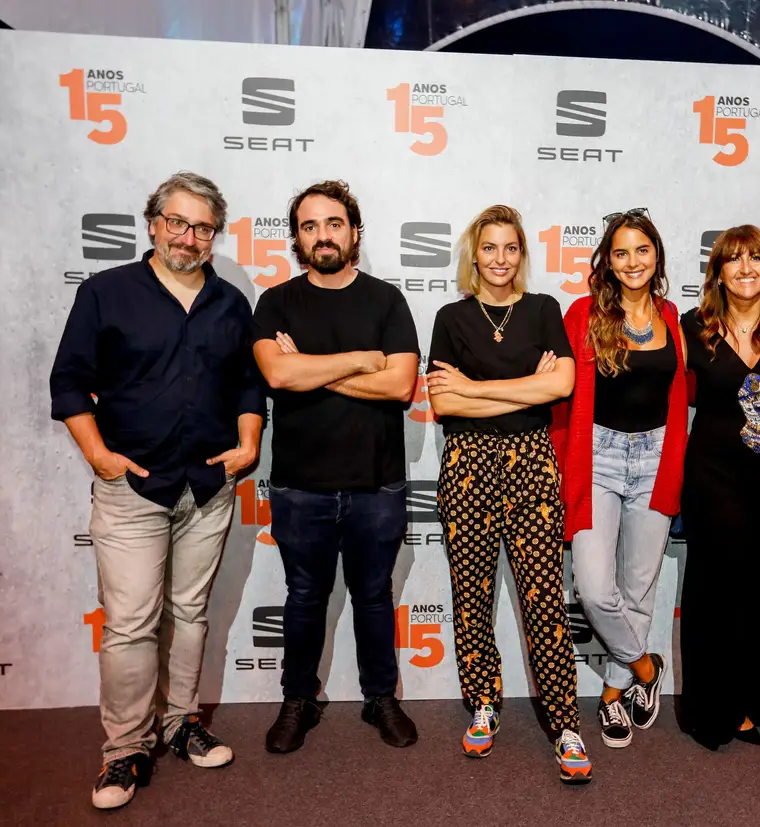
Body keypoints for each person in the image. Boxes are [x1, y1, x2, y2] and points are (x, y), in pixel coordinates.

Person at [50, 171, 264, 810]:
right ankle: (124, 750)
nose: (188, 237)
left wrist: (248, 445)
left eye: (202, 227)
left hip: (208, 485)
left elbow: (248, 383)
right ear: (153, 224)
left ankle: (182, 724)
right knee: (130, 624)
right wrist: (99, 456)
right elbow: (68, 381)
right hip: (132, 488)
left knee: (190, 613)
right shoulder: (106, 292)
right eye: (177, 222)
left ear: (214, 235)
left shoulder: (231, 302)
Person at [251, 180, 420, 755]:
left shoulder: (386, 301)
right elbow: (278, 375)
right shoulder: (275, 303)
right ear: (297, 238)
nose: (322, 235)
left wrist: (311, 367)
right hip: (300, 486)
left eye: (333, 223)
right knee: (304, 597)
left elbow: (399, 385)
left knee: (374, 596)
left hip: (377, 483)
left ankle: (381, 698)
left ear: (354, 232)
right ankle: (298, 699)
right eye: (309, 226)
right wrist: (358, 361)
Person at [425, 205, 591, 784]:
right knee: (471, 596)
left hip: (532, 463)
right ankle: (484, 704)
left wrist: (475, 388)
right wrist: (526, 388)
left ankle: (565, 724)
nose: (500, 259)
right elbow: (443, 401)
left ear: (522, 253)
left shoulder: (543, 310)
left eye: (511, 247)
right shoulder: (451, 317)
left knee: (544, 600)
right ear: (475, 254)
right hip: (466, 465)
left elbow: (562, 384)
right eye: (490, 247)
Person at [552, 208, 688, 749]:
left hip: (656, 460)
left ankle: (613, 695)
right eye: (621, 252)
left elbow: (682, 394)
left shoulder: (672, 315)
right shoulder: (583, 314)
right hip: (597, 460)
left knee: (638, 588)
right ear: (607, 261)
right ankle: (645, 668)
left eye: (642, 250)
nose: (633, 262)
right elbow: (562, 399)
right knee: (593, 587)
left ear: (657, 256)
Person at [679, 224, 760, 750]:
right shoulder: (693, 326)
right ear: (718, 272)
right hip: (713, 475)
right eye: (733, 259)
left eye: (756, 258)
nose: (746, 268)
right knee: (717, 588)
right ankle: (717, 707)